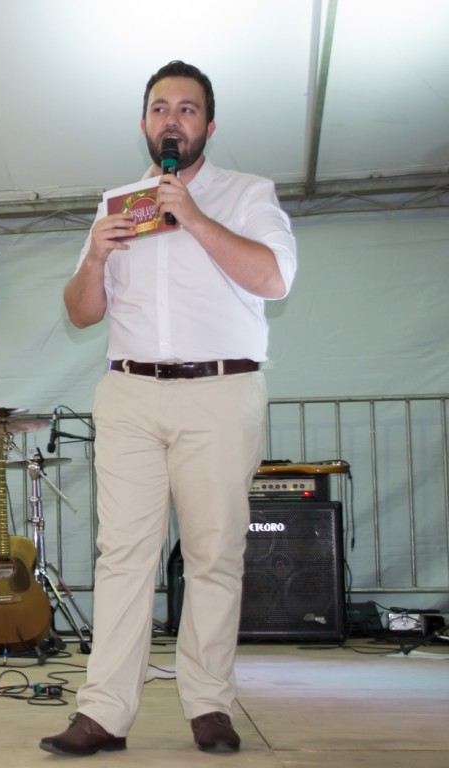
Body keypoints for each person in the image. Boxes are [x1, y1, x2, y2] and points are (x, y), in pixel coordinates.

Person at [40, 60, 297, 757]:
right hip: (129, 391)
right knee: (122, 554)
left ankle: (208, 704)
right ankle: (103, 713)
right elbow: (81, 313)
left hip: (220, 389)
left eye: (187, 109)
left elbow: (275, 278)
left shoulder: (247, 194)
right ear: (144, 123)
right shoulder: (117, 203)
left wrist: (195, 216)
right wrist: (94, 259)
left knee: (214, 552)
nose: (172, 120)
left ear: (208, 125)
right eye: (160, 108)